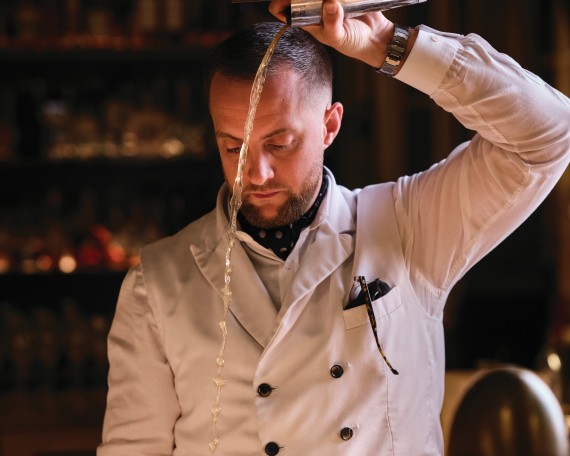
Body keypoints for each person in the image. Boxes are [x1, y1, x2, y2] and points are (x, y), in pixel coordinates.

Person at [97, 0, 570, 454]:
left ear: (329, 125)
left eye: (279, 143)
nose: (255, 173)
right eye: (233, 147)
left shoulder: (408, 227)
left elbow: (549, 134)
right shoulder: (155, 285)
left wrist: (386, 43)